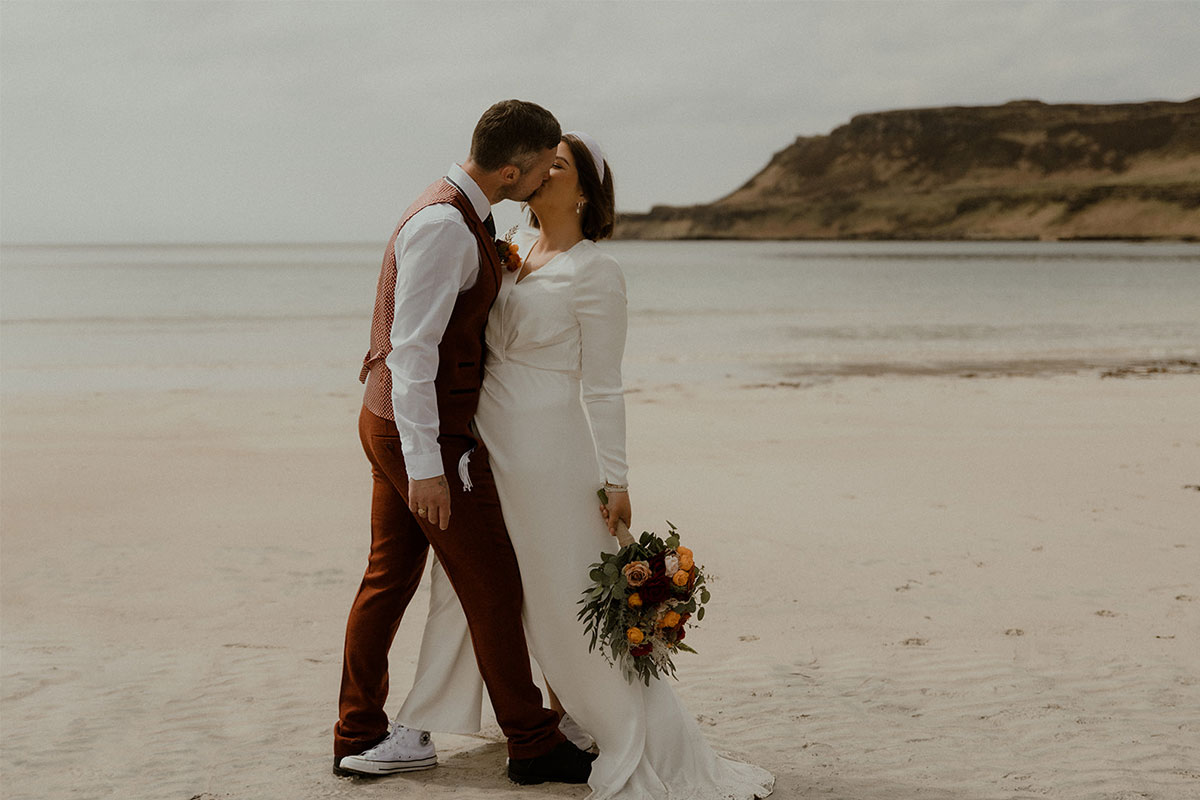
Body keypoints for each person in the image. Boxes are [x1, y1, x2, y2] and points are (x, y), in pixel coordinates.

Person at [391, 132, 776, 799]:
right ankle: (430, 718)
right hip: (486, 438)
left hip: (547, 447)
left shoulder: (598, 270)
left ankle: (589, 713)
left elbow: (603, 384)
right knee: (471, 578)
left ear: (586, 190)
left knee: (557, 586)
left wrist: (618, 479)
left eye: (558, 167)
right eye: (542, 164)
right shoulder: (512, 252)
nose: (542, 174)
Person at [333, 100, 596, 787]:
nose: (542, 181)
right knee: (492, 582)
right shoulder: (446, 228)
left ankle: (357, 730)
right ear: (512, 166)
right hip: (419, 428)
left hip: (393, 417)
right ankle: (532, 743)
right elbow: (413, 354)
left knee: (389, 579)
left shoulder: (457, 215)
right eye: (540, 168)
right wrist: (428, 467)